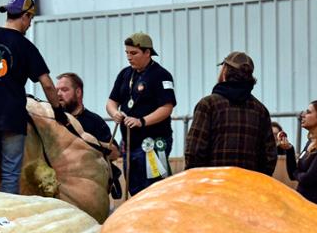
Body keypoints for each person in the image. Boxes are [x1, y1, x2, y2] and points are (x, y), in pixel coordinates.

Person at [0, 0, 62, 195]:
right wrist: (58, 110)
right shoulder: (26, 47)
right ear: (25, 16)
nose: (30, 24)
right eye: (30, 19)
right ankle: (6, 222)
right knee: (10, 175)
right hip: (12, 117)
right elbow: (48, 85)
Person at [106, 32, 176, 196]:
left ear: (147, 52)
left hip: (154, 143)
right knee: (134, 189)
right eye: (127, 53)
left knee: (155, 189)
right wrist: (114, 113)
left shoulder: (161, 75)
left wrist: (142, 121)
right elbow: (111, 102)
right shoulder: (125, 74)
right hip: (130, 143)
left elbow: (167, 107)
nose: (129, 57)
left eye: (134, 53)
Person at [185, 52, 277, 175]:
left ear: (225, 72)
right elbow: (269, 157)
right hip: (248, 187)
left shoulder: (208, 105)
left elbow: (194, 151)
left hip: (213, 186)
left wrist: (195, 180)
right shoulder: (260, 110)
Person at [56, 72, 119, 159]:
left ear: (78, 92)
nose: (58, 94)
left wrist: (90, 143)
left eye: (64, 90)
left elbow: (115, 153)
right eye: (56, 90)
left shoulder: (94, 121)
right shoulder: (53, 119)